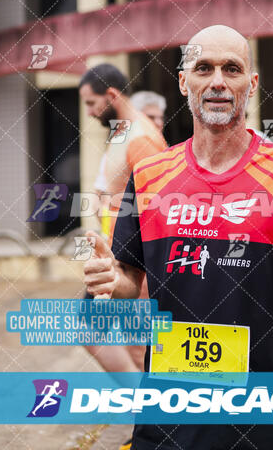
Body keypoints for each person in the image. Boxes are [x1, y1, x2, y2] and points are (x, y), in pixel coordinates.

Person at [84, 25, 273, 450]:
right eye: (203, 68)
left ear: (252, 83)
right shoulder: (151, 176)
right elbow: (130, 282)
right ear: (183, 80)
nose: (218, 81)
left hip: (268, 414)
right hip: (172, 416)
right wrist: (109, 280)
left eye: (233, 68)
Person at [78, 64, 167, 373]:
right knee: (91, 330)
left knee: (137, 346)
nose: (89, 112)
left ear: (111, 95)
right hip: (115, 256)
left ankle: (148, 410)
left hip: (133, 264)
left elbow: (157, 209)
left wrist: (142, 276)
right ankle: (141, 407)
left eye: (91, 103)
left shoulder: (141, 138)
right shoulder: (122, 130)